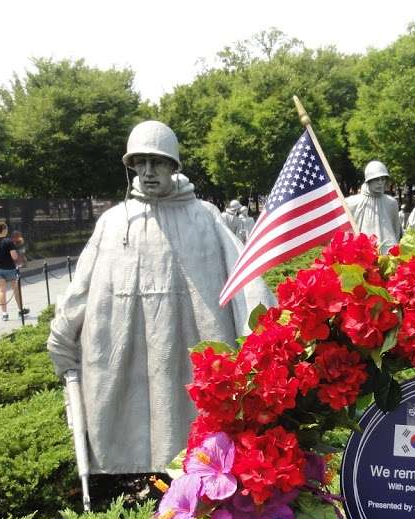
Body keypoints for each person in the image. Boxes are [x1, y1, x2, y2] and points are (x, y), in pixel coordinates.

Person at [47, 120, 272, 476]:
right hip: (129, 346)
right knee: (130, 421)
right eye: (141, 162)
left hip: (190, 346)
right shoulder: (114, 221)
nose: (149, 171)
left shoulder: (204, 216)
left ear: (174, 166)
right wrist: (63, 333)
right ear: (131, 166)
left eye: (159, 162)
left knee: (191, 426)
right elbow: (84, 285)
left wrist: (261, 336)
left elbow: (245, 279)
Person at [345, 160, 403, 252]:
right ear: (368, 181)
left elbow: (396, 230)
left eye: (383, 179)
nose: (380, 182)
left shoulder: (392, 203)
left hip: (389, 253)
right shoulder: (351, 203)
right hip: (363, 254)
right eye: (376, 179)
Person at [0, 221, 27, 320]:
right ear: (4, 230)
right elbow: (14, 256)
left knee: (1, 291)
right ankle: (20, 310)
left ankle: (4, 314)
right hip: (9, 268)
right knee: (16, 290)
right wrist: (17, 257)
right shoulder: (8, 242)